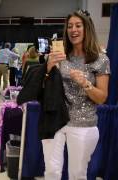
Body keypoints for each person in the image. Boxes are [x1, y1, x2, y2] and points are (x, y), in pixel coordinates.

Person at [44, 10, 110, 180]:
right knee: (51, 172)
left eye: (78, 25)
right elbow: (46, 86)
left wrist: (86, 84)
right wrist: (48, 68)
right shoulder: (60, 55)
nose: (73, 30)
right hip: (55, 119)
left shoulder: (100, 59)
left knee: (77, 174)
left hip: (83, 123)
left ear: (87, 28)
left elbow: (102, 98)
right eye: (70, 26)